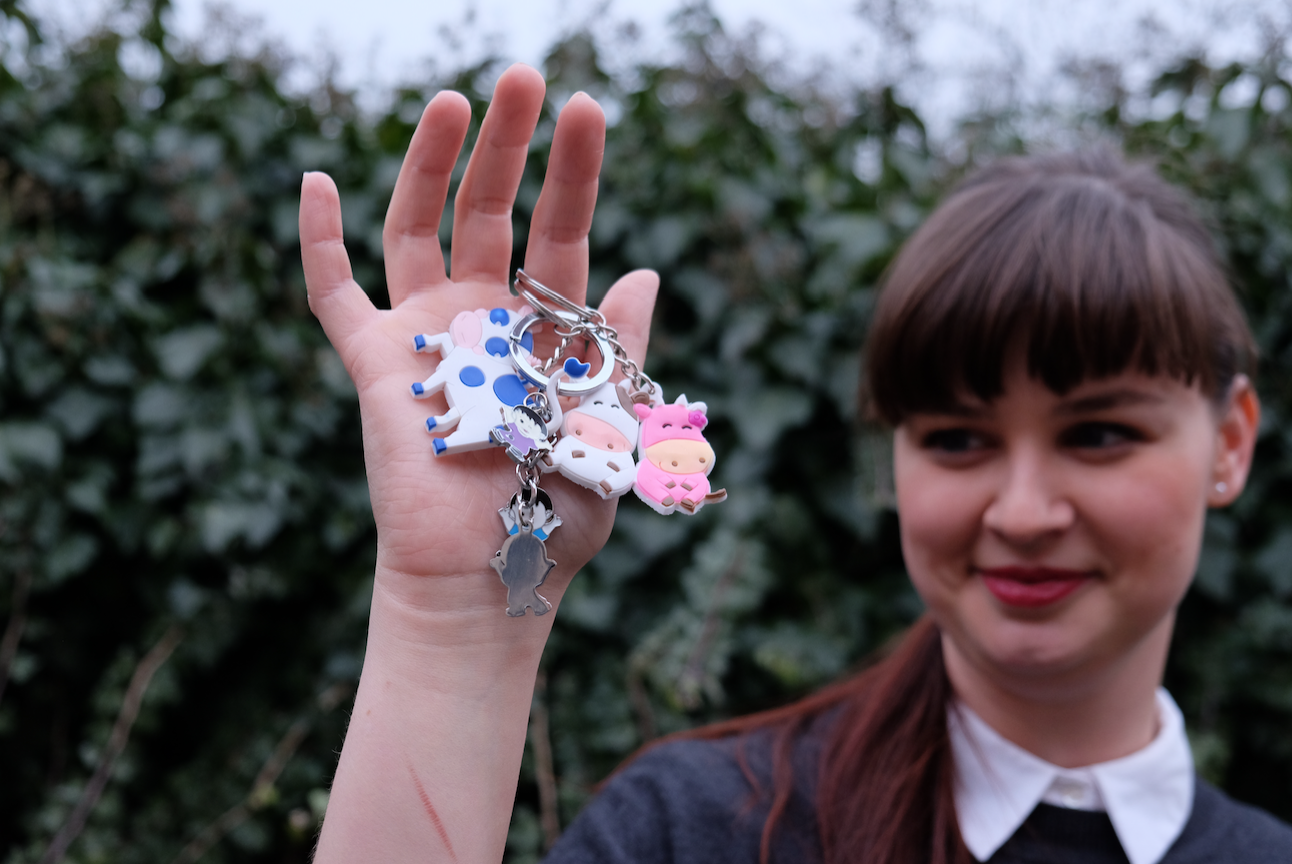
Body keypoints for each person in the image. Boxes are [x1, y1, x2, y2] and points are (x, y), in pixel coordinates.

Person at [298, 63, 1292, 863]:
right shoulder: (701, 833)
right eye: (957, 438)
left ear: (1231, 442)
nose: (1023, 512)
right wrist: (457, 631)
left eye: (1098, 434)